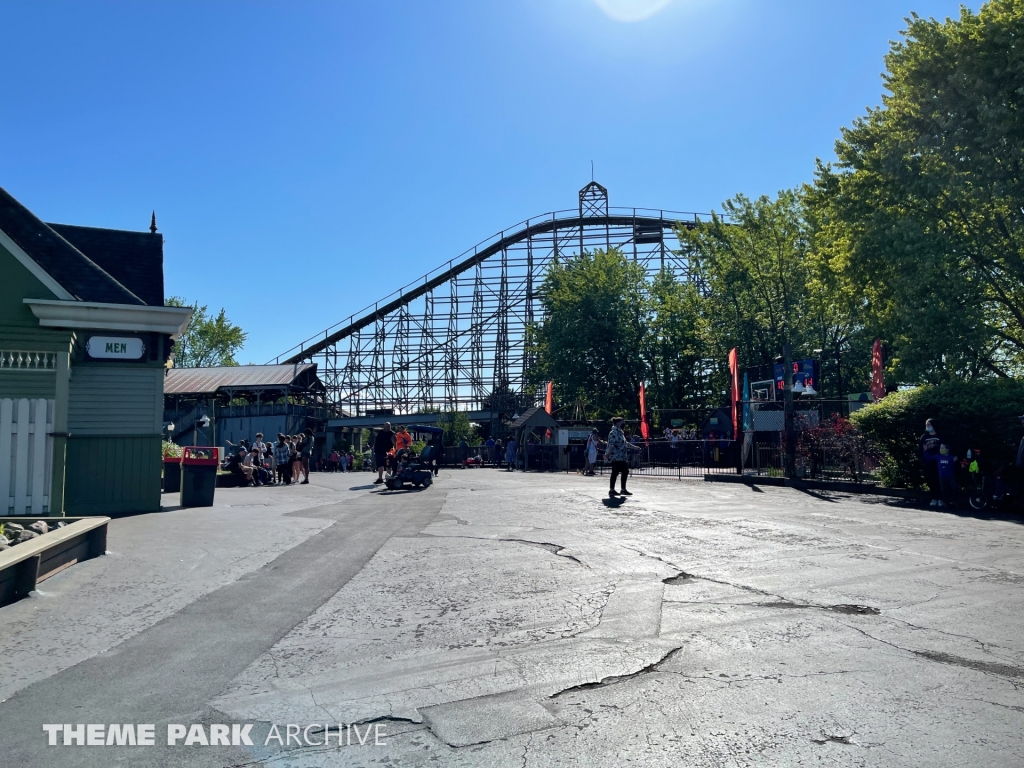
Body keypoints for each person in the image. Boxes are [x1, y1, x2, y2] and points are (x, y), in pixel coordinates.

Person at [605, 417, 634, 498]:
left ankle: (620, 489)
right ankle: (613, 490)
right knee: (618, 472)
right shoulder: (613, 432)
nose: (623, 424)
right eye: (622, 422)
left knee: (622, 472)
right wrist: (607, 454)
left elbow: (625, 443)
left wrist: (635, 447)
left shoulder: (620, 433)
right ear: (617, 423)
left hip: (621, 456)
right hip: (616, 456)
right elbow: (611, 445)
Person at [919, 418, 943, 507]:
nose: (927, 426)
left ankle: (940, 498)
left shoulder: (940, 436)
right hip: (927, 461)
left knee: (938, 479)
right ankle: (934, 498)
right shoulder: (924, 437)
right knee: (930, 480)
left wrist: (934, 446)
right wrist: (925, 449)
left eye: (929, 425)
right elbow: (920, 449)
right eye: (926, 425)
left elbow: (944, 447)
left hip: (938, 461)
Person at [936, 443, 958, 508]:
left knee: (954, 488)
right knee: (943, 490)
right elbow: (928, 457)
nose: (941, 449)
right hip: (941, 475)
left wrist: (954, 461)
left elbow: (953, 467)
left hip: (950, 475)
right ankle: (946, 502)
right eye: (940, 448)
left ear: (947, 449)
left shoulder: (951, 457)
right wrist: (925, 450)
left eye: (942, 448)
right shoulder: (938, 456)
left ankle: (956, 501)